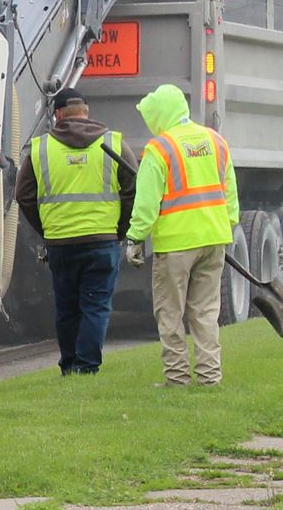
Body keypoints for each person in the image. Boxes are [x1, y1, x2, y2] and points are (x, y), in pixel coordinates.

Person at [125, 82, 240, 388]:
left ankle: (176, 379)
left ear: (160, 114)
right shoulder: (216, 141)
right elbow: (229, 193)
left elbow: (146, 202)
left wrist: (135, 238)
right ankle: (209, 378)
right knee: (205, 312)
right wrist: (227, 225)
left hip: (175, 246)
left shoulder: (159, 149)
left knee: (170, 313)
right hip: (214, 241)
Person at [16, 87, 135, 378]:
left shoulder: (40, 149)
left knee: (67, 306)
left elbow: (24, 196)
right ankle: (87, 367)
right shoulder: (114, 143)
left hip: (60, 242)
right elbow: (133, 189)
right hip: (103, 241)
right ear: (86, 111)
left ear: (57, 115)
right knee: (95, 305)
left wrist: (47, 228)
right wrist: (120, 229)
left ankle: (69, 365)